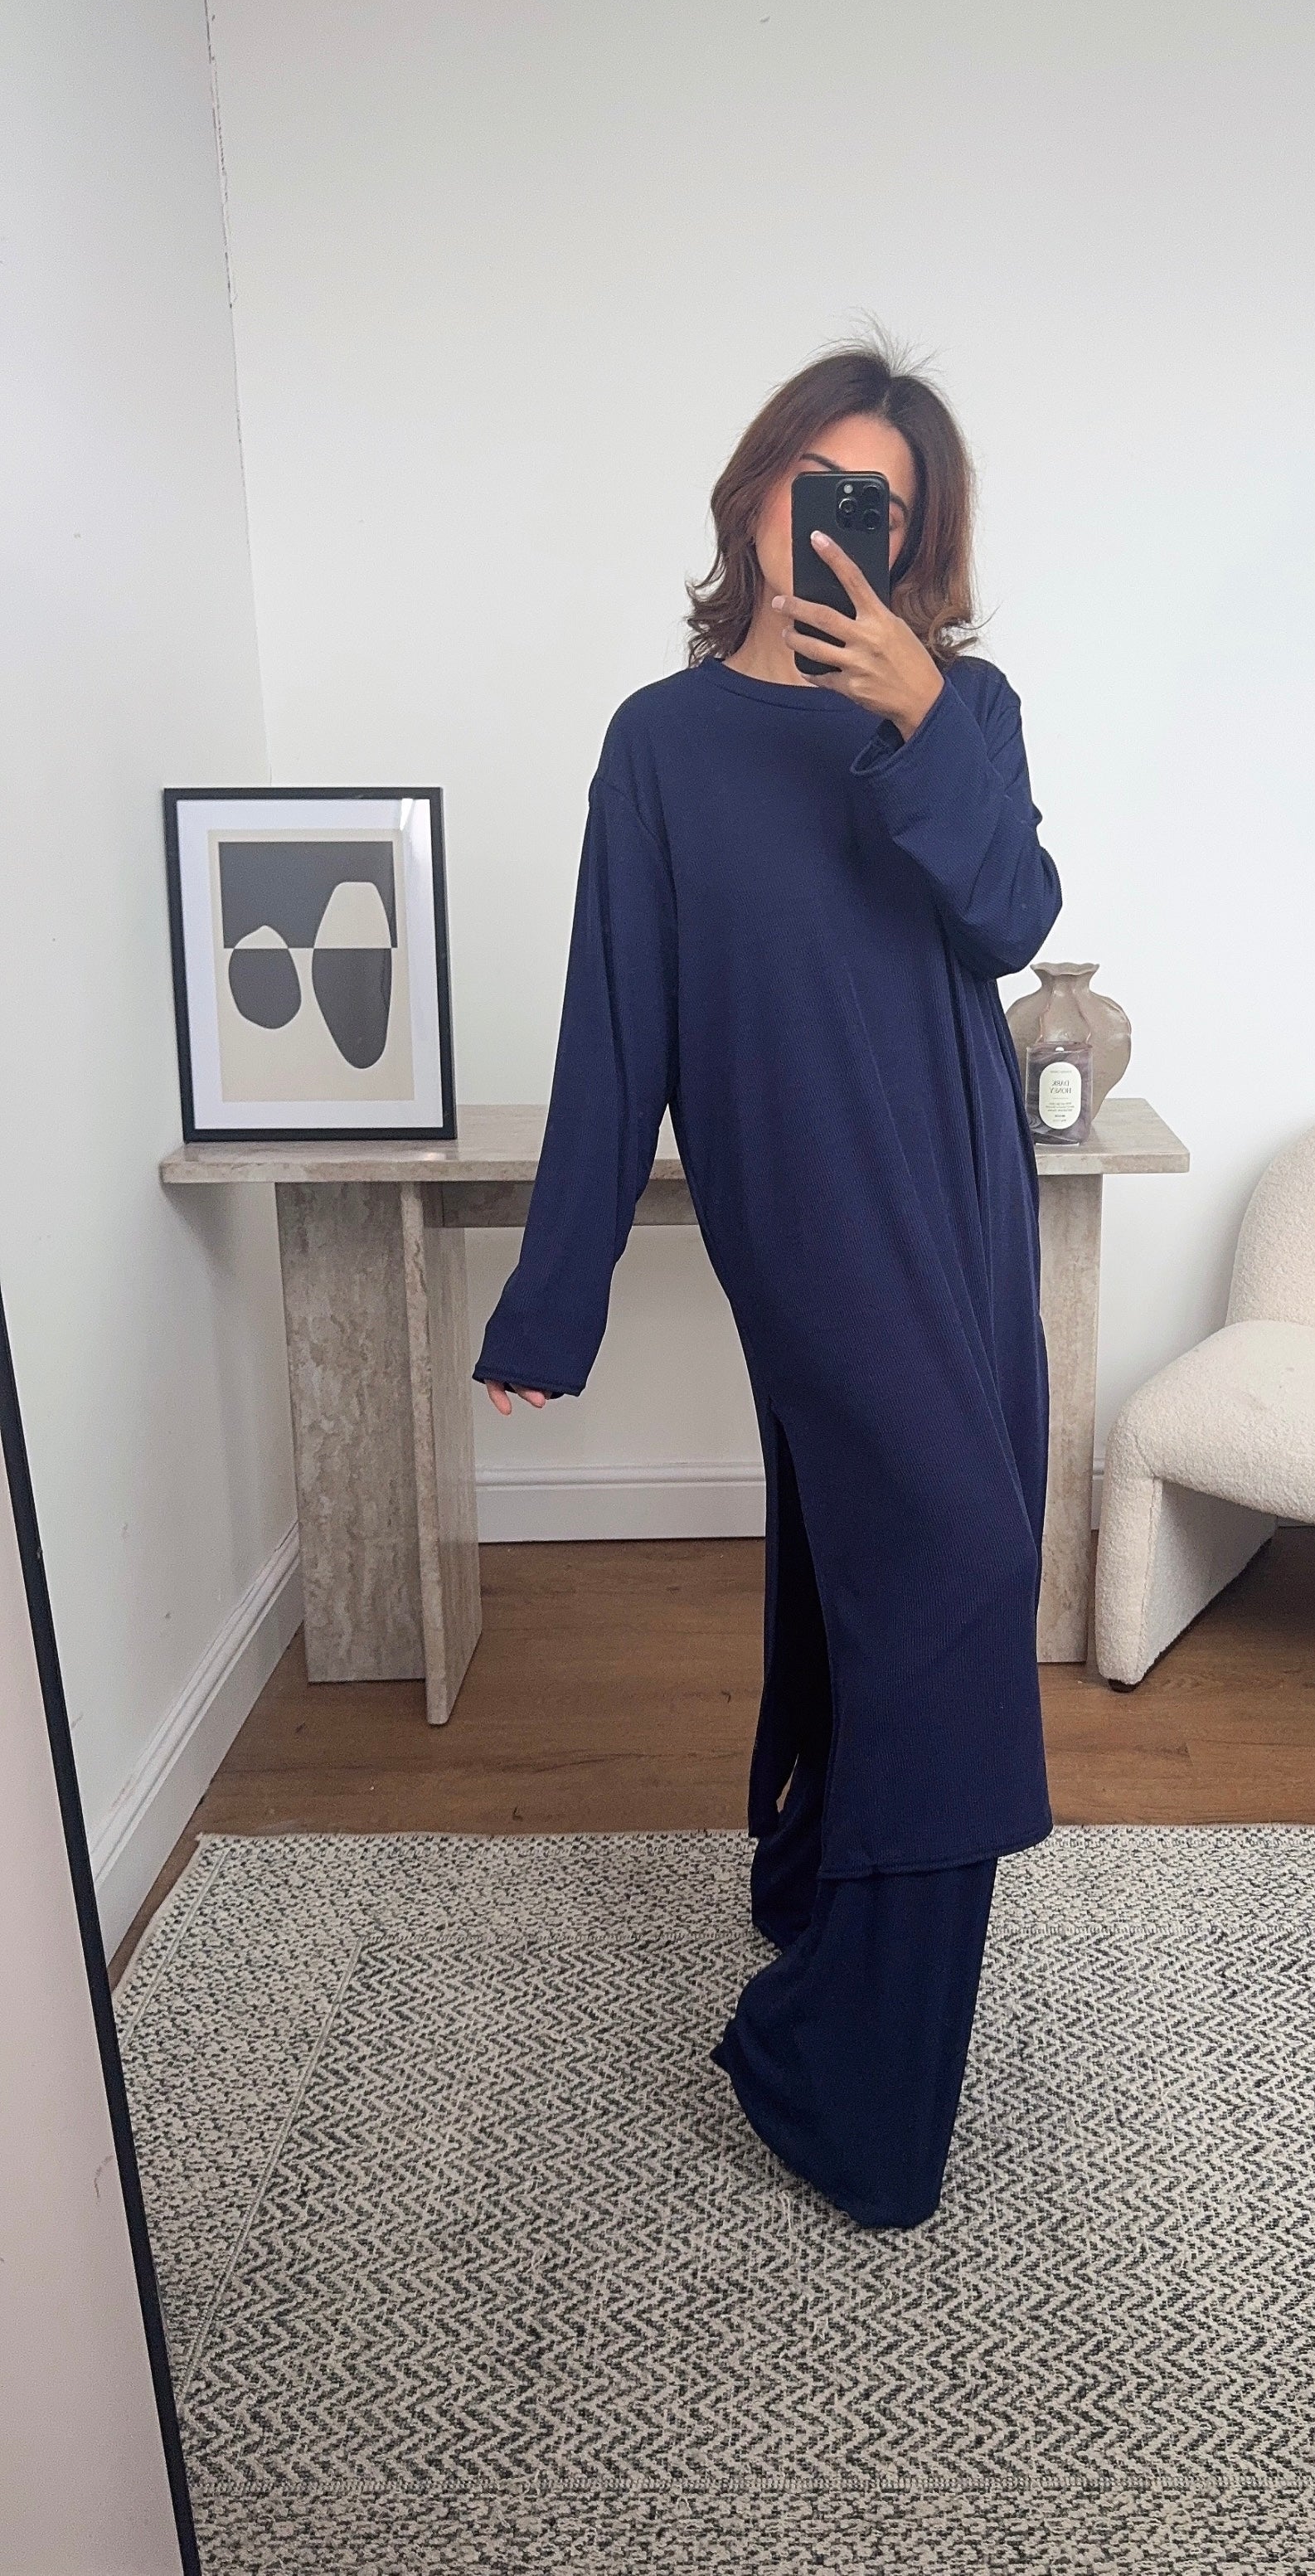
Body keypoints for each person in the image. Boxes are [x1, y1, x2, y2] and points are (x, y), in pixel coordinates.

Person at [475, 335, 1062, 2228]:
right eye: (819, 485)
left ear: (916, 540)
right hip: (801, 1204)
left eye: (881, 505)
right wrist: (554, 1294)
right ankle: (847, 2085)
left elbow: (1015, 916)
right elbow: (616, 1023)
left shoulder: (964, 709)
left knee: (903, 1552)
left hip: (961, 1185)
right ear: (753, 497)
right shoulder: (661, 744)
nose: (840, 525)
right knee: (955, 1570)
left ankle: (818, 1885)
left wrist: (919, 717)